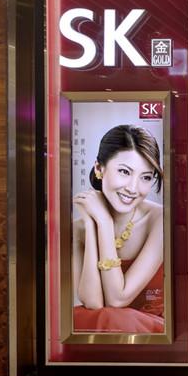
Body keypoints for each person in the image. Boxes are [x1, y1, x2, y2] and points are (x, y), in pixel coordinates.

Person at [72, 124, 165, 334]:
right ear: (99, 169)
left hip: (154, 331)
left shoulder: (159, 220)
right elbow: (93, 303)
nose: (133, 188)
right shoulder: (79, 228)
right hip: (107, 327)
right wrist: (91, 225)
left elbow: (117, 300)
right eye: (124, 172)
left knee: (106, 319)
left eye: (146, 177)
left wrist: (104, 223)